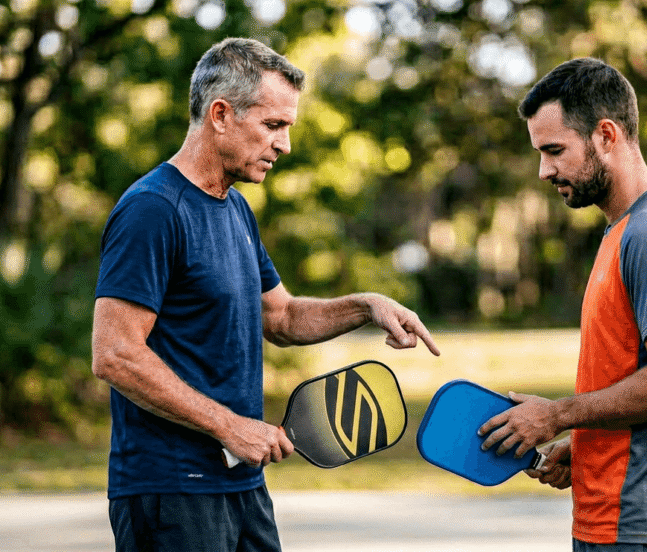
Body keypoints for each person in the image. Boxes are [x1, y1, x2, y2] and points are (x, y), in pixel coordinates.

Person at [91, 37, 440, 552]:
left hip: (241, 485)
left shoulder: (235, 210)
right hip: (171, 492)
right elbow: (115, 354)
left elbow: (280, 317)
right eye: (273, 126)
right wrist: (230, 426)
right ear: (220, 115)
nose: (285, 145)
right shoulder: (153, 210)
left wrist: (366, 305)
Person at [478, 58, 647, 552]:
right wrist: (585, 442)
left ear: (606, 135)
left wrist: (558, 415)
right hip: (612, 521)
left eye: (554, 151)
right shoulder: (623, 232)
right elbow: (633, 374)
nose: (544, 171)